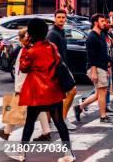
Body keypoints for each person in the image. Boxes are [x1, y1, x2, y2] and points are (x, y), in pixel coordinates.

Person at [17, 18, 74, 162]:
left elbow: (23, 67)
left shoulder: (31, 51)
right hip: (53, 89)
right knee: (59, 122)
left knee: (29, 122)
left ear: (31, 33)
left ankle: (22, 153)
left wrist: (24, 48)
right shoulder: (52, 46)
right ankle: (68, 153)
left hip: (37, 92)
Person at [0, 28, 51, 144]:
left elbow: (22, 72)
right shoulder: (35, 49)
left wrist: (18, 88)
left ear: (23, 39)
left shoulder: (25, 51)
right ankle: (46, 132)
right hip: (35, 84)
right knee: (39, 108)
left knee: (14, 107)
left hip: (26, 86)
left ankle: (6, 132)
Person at [74, 14, 113, 125]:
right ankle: (103, 116)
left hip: (102, 66)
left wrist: (108, 65)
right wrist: (93, 72)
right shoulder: (92, 37)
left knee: (99, 93)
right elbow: (91, 57)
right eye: (102, 21)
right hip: (96, 67)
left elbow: (103, 53)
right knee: (102, 93)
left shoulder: (101, 34)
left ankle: (79, 107)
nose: (104, 23)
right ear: (95, 22)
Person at [47, 9, 78, 130]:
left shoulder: (61, 31)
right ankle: (62, 120)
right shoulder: (53, 34)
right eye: (59, 17)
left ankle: (55, 121)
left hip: (62, 67)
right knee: (71, 91)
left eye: (63, 17)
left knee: (57, 97)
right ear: (55, 18)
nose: (61, 19)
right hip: (57, 69)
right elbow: (51, 54)